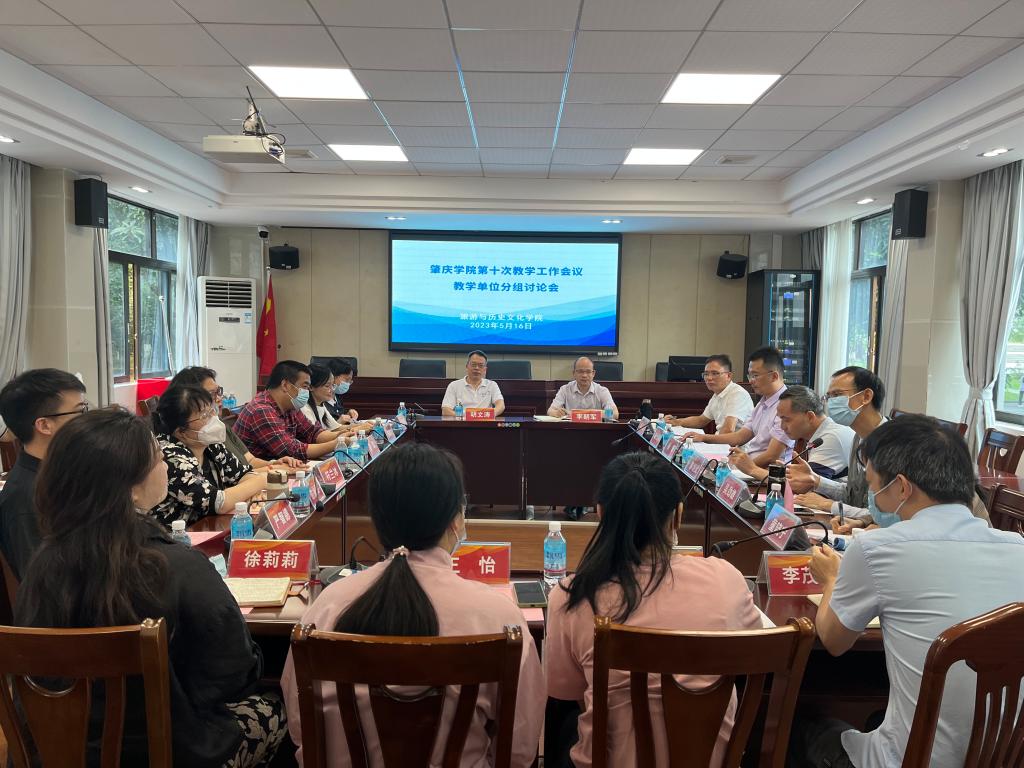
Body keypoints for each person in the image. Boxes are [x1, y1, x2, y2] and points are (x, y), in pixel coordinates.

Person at [15, 408, 287, 767]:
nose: (166, 467)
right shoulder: (177, 565)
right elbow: (234, 674)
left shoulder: (41, 566)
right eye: (159, 459)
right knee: (285, 701)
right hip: (171, 751)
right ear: (130, 486)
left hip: (59, 750)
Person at [280, 442, 543, 767]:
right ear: (456, 519)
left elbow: (301, 730)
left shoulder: (327, 608)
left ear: (377, 519)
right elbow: (519, 748)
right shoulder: (499, 617)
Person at [796, 416, 1024, 768]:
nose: (873, 497)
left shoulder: (875, 549)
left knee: (799, 723)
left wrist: (830, 580)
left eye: (873, 485)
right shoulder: (1018, 547)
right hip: (1004, 757)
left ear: (902, 487)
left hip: (907, 761)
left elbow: (834, 641)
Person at [546, 451, 762, 767]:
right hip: (711, 761)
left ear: (600, 513)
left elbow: (568, 692)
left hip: (612, 761)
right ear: (678, 515)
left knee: (563, 722)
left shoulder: (573, 596)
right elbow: (751, 656)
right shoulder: (726, 580)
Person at [0, 368, 87, 581]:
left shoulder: (61, 471)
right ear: (44, 425)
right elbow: (47, 587)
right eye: (79, 412)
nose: (87, 421)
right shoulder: (25, 498)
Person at [150, 385, 268, 527]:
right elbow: (219, 503)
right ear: (181, 431)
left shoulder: (210, 444)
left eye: (212, 410)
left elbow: (244, 474)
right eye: (204, 416)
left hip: (210, 527)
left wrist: (250, 488)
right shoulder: (169, 456)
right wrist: (260, 481)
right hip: (176, 536)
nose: (214, 418)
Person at [788, 366, 887, 531]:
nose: (831, 403)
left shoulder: (893, 445)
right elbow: (853, 494)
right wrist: (817, 481)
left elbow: (885, 515)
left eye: (837, 395)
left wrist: (830, 505)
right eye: (829, 396)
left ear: (866, 396)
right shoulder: (859, 437)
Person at [170, 366, 304, 471]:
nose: (219, 398)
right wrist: (274, 470)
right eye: (211, 394)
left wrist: (275, 464)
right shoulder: (193, 440)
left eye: (218, 392)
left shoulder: (221, 427)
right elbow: (226, 488)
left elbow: (250, 461)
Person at [680, 347, 793, 467]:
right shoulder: (763, 403)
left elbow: (772, 456)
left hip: (766, 472)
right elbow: (740, 436)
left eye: (755, 375)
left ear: (774, 376)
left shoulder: (787, 407)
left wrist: (739, 467)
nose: (751, 381)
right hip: (748, 464)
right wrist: (703, 437)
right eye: (750, 376)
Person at [729, 385, 853, 483]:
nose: (782, 426)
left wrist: (752, 469)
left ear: (810, 416)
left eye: (786, 420)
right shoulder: (818, 433)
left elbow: (803, 485)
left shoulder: (830, 438)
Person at [234, 360, 348, 461]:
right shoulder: (261, 410)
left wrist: (342, 436)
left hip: (280, 467)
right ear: (285, 385)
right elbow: (292, 450)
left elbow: (313, 433)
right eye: (304, 387)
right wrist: (336, 443)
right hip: (259, 471)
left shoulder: (290, 406)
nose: (307, 392)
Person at [666, 355, 753, 435]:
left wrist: (706, 439)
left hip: (736, 446)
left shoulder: (738, 394)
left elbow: (728, 430)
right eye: (706, 374)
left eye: (715, 373)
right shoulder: (717, 395)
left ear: (729, 376)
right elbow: (701, 420)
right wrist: (676, 422)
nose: (709, 378)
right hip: (722, 442)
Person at [547, 357, 619, 419]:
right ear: (574, 373)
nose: (584, 375)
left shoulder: (602, 391)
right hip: (571, 428)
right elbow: (550, 411)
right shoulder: (565, 389)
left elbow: (615, 414)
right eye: (580, 371)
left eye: (588, 372)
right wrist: (556, 413)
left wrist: (586, 413)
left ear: (593, 373)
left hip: (595, 429)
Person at [441, 350, 506, 416]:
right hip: (462, 421)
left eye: (480, 365)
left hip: (485, 421)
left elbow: (501, 405)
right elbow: (446, 410)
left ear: (485, 370)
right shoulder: (454, 385)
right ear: (467, 366)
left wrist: (490, 414)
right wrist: (467, 417)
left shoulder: (492, 385)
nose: (477, 368)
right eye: (473, 365)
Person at [301, 364, 349, 432]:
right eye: (327, 386)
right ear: (311, 387)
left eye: (332, 385)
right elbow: (318, 436)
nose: (332, 390)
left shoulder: (321, 405)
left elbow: (336, 428)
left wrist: (361, 426)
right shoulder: (305, 408)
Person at [323, 357, 359, 423]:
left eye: (350, 380)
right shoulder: (321, 400)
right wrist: (338, 423)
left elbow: (339, 416)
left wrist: (348, 415)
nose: (348, 383)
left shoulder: (337, 397)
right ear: (333, 376)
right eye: (347, 380)